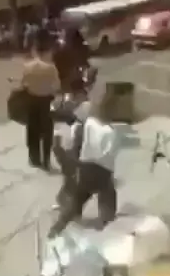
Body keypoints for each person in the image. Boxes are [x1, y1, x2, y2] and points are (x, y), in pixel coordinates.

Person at [48, 95, 118, 238]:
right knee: (108, 195)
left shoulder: (90, 123)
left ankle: (57, 228)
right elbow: (109, 154)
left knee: (78, 198)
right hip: (102, 170)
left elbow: (79, 131)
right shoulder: (111, 132)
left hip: (85, 167)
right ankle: (108, 222)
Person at [22, 33, 61, 169]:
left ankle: (34, 158)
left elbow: (24, 83)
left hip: (31, 99)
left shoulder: (27, 66)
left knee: (32, 130)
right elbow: (57, 86)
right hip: (46, 101)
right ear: (46, 52)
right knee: (46, 131)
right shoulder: (50, 68)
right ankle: (46, 160)